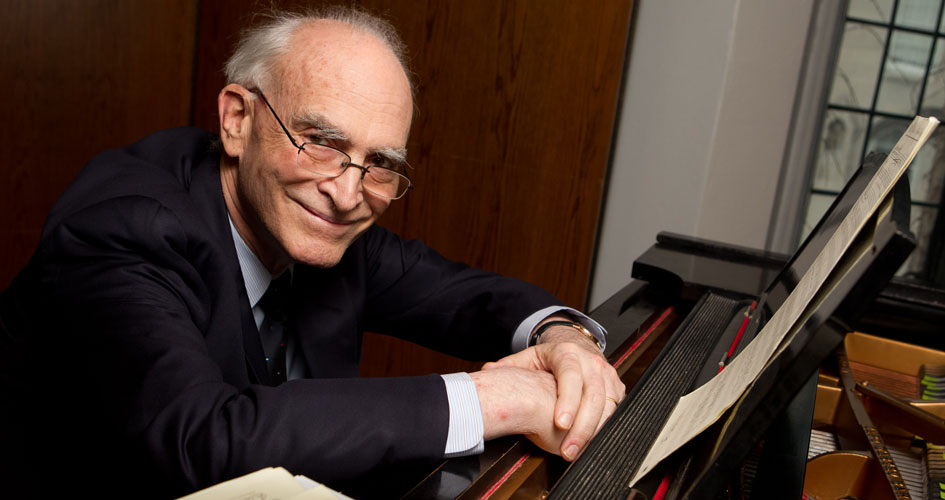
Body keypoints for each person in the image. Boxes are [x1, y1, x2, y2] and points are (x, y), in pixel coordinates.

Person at [0, 6, 623, 498]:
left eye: (380, 164)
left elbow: (464, 296)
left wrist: (563, 337)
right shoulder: (122, 228)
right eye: (321, 142)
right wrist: (495, 400)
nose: (349, 191)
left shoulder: (326, 220)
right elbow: (206, 438)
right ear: (237, 119)